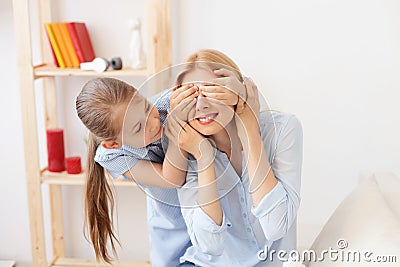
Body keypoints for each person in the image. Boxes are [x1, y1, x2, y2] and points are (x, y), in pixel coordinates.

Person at [168, 50, 303, 266]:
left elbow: (275, 225)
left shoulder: (283, 129)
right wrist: (204, 158)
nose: (201, 105)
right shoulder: (186, 147)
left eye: (211, 91)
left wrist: (248, 124)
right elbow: (209, 245)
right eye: (190, 97)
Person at [76, 77, 199, 266]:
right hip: (174, 230)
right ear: (113, 143)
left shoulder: (169, 104)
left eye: (147, 108)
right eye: (138, 128)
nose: (152, 123)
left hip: (210, 215)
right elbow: (172, 178)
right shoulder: (113, 155)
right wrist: (176, 124)